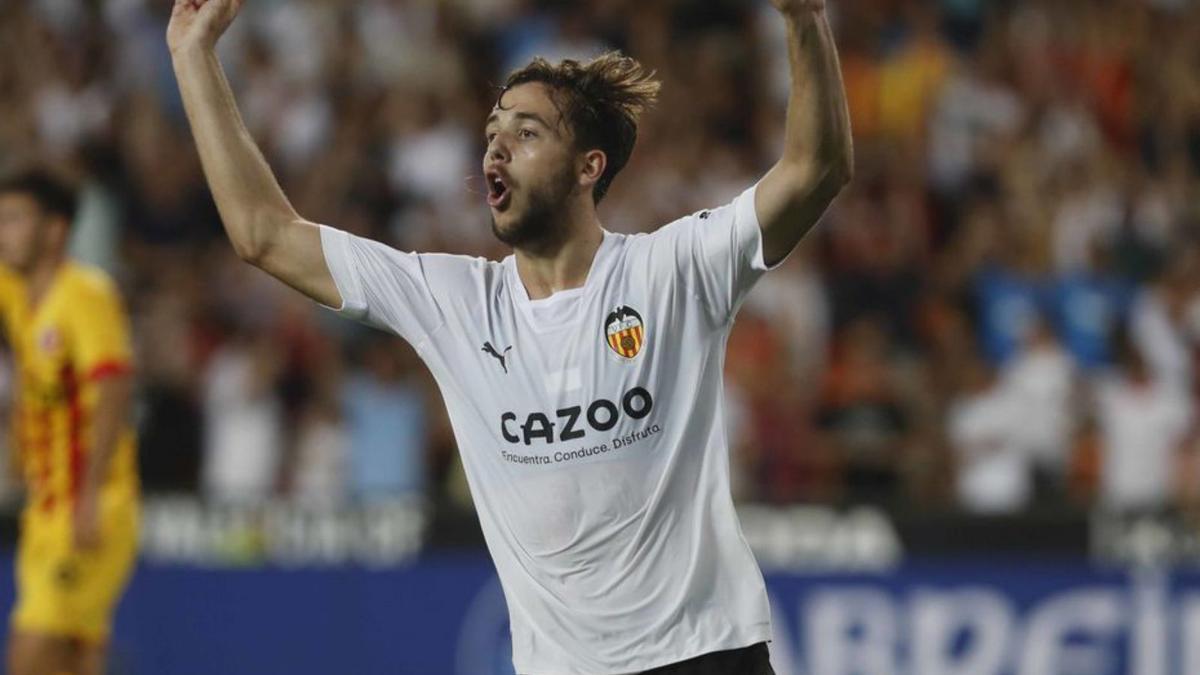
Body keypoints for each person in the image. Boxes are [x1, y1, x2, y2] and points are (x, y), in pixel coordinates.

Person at [167, 0, 852, 671]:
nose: (496, 144)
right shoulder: (454, 300)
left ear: (589, 166)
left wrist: (803, 19)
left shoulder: (671, 270)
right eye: (494, 129)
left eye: (527, 132)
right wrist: (192, 55)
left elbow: (815, 169)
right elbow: (263, 233)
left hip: (705, 652)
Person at [0, 170, 139, 675]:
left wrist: (88, 495)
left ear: (55, 231)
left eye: (15, 220)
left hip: (92, 506)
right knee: (77, 659)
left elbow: (115, 388)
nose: (3, 233)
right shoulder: (17, 294)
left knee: (30, 654)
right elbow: (24, 367)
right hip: (44, 510)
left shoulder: (86, 294)